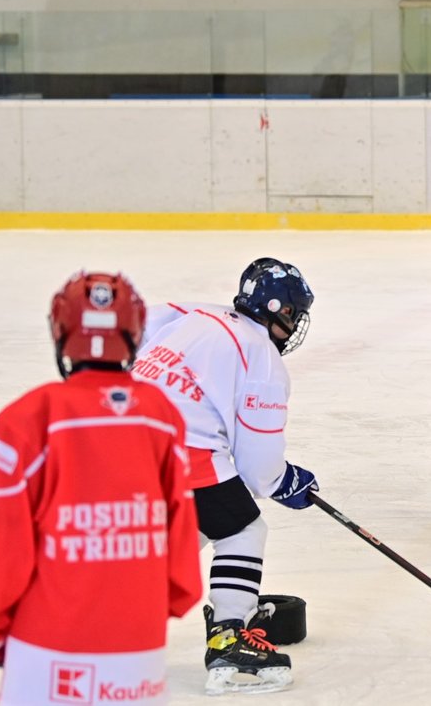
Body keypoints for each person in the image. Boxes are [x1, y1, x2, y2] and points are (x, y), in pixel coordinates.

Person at [0, 271, 202, 706]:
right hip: (137, 654)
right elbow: (180, 537)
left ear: (60, 330)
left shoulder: (27, 418)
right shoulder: (161, 415)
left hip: (46, 654)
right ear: (135, 331)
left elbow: (0, 542)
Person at [132, 257, 317, 695]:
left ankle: (116, 613)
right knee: (243, 529)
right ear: (282, 311)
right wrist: (286, 481)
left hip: (121, 434)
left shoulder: (199, 312)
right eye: (294, 315)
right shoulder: (264, 360)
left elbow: (139, 325)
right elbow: (259, 470)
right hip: (180, 448)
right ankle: (229, 638)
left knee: (194, 525)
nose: (294, 326)